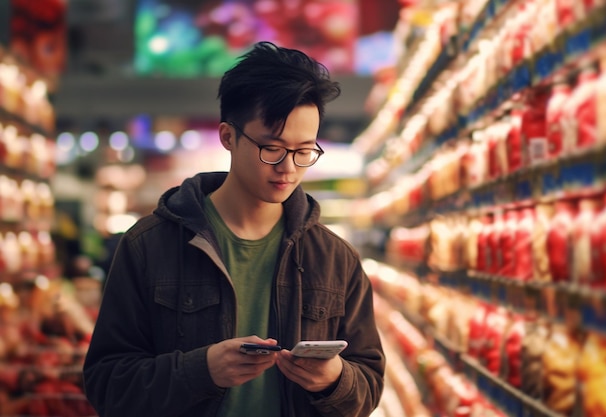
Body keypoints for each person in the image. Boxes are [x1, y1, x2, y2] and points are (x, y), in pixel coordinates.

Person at [82, 41, 385, 417]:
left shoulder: (336, 259)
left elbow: (369, 387)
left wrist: (334, 379)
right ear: (228, 137)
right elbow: (106, 384)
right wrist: (200, 370)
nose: (288, 168)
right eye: (271, 148)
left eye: (304, 150)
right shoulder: (150, 245)